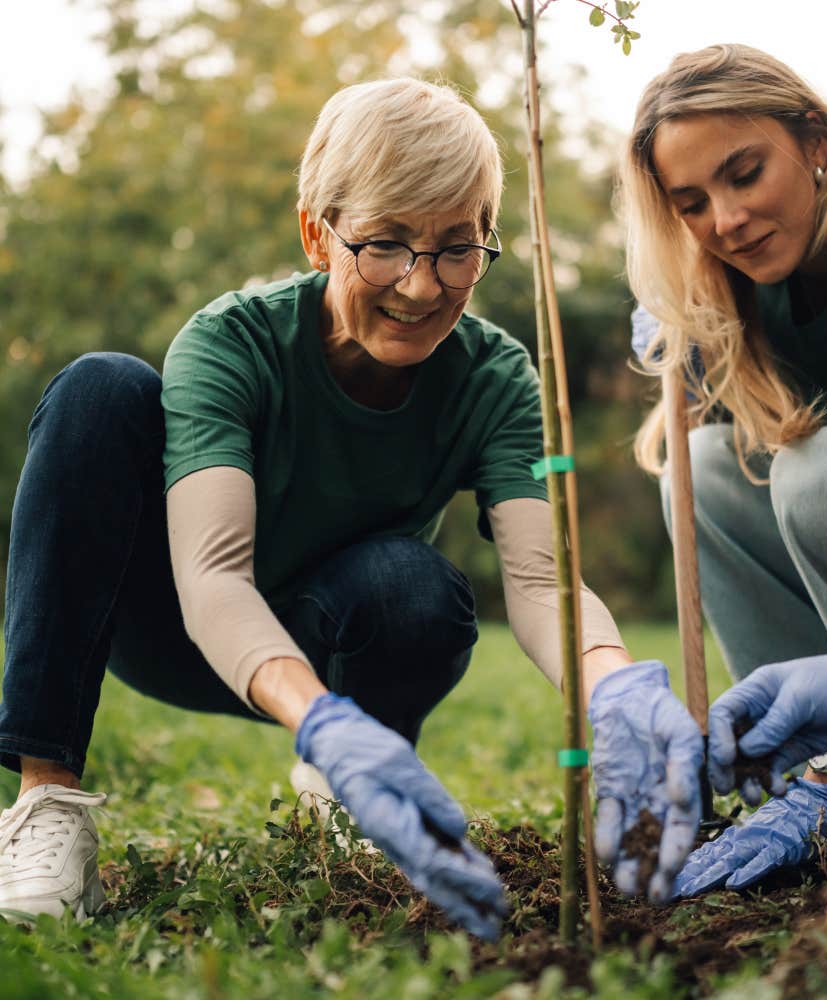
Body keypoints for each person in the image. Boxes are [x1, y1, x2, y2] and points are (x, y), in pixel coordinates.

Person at [0, 76, 702, 934]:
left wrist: (618, 692)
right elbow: (214, 579)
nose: (420, 285)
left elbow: (543, 580)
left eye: (456, 248)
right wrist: (322, 721)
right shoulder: (233, 344)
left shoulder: (494, 376)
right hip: (175, 623)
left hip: (337, 639)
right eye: (385, 244)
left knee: (416, 583)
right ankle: (50, 805)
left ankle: (345, 784)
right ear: (316, 234)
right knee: (98, 388)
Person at [622, 43, 827, 895]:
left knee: (814, 470)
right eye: (691, 203)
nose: (726, 220)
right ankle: (809, 760)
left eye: (744, 174)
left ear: (817, 143)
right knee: (707, 470)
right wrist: (691, 354)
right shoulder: (748, 287)